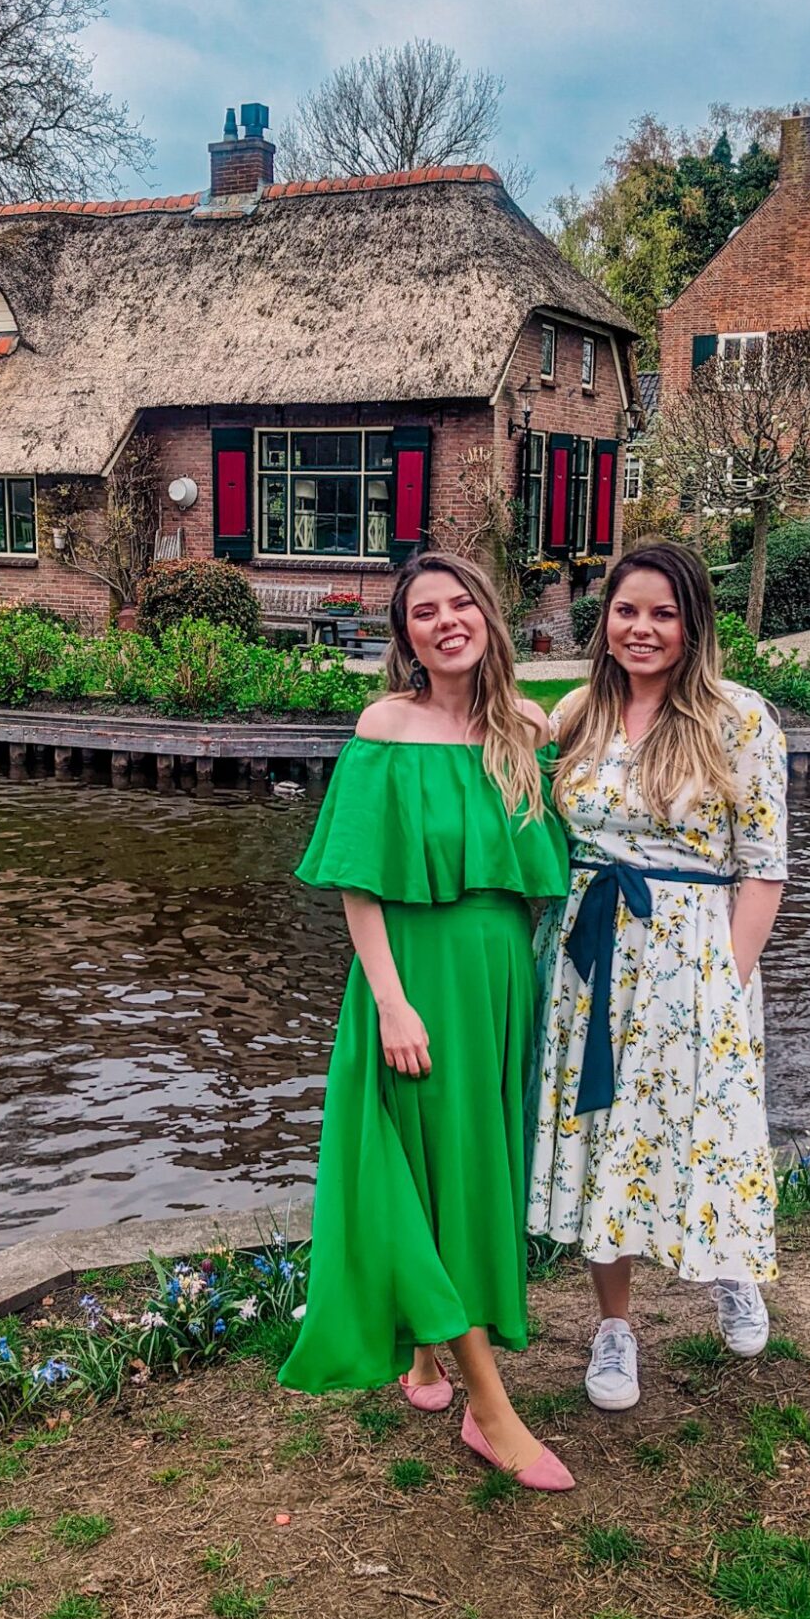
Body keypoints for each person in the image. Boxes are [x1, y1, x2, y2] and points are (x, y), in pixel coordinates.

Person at [279, 551, 574, 1490]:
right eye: (422, 613)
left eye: (459, 604)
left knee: (468, 1165)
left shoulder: (523, 728)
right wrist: (392, 1000)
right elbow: (360, 883)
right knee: (416, 1165)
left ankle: (427, 1354)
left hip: (500, 979)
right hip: (414, 979)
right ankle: (495, 1415)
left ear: (487, 614)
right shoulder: (387, 726)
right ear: (404, 637)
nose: (444, 621)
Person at [526, 540, 788, 1411]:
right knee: (608, 1135)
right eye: (627, 610)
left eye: (662, 613)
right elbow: (502, 757)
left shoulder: (739, 719)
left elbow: (766, 866)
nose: (641, 629)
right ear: (605, 620)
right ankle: (614, 1328)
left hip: (694, 960)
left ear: (692, 624)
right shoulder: (577, 714)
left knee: (707, 1122)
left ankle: (732, 1269)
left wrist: (727, 976)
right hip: (593, 958)